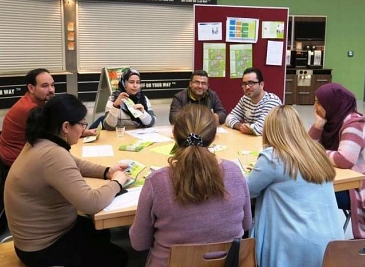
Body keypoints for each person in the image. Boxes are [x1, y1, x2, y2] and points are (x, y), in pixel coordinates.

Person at [4, 94, 130, 267]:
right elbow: (91, 203)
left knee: (100, 233)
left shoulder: (40, 140)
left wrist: (107, 171)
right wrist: (117, 182)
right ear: (65, 127)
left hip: (39, 236)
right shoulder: (53, 155)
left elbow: (73, 162)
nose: (83, 128)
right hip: (42, 248)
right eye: (81, 124)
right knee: (118, 258)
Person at [129, 105, 252, 267]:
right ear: (214, 136)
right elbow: (246, 225)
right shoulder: (235, 173)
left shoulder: (157, 181)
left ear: (174, 135)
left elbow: (139, 243)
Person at [246, 105, 344, 267]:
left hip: (294, 246)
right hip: (331, 243)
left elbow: (248, 191)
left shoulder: (272, 157)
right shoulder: (317, 151)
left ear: (269, 130)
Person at [309, 82, 365, 239]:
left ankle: (319, 240)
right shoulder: (331, 121)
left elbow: (344, 160)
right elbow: (306, 146)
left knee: (309, 194)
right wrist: (318, 125)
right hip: (344, 179)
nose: (314, 106)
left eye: (319, 102)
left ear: (333, 104)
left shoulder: (354, 124)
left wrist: (318, 151)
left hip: (359, 188)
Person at [0, 68, 95, 167]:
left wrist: (82, 132)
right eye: (45, 86)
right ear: (31, 88)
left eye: (52, 85)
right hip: (16, 160)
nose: (51, 90)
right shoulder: (29, 109)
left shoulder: (37, 102)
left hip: (23, 152)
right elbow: (53, 134)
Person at [225, 67, 282, 135]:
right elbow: (229, 118)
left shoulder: (272, 101)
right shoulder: (245, 99)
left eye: (251, 83)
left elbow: (259, 129)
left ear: (261, 85)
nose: (247, 87)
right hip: (252, 141)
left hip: (271, 143)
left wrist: (247, 128)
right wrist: (240, 126)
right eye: (244, 84)